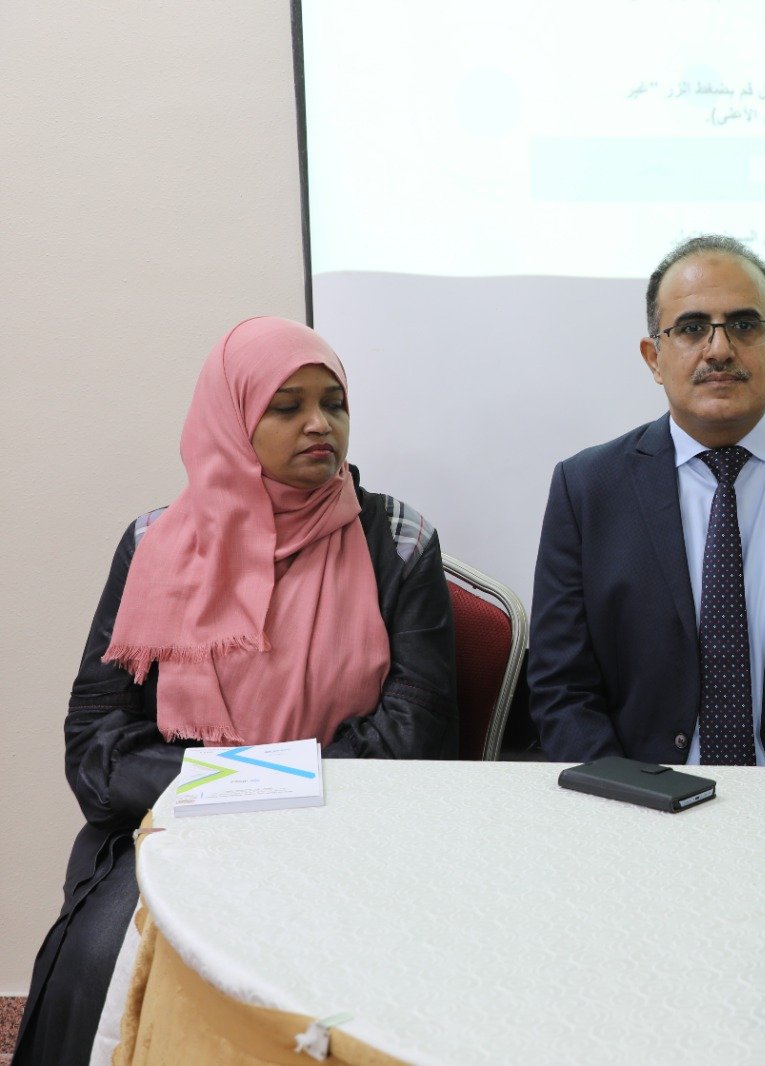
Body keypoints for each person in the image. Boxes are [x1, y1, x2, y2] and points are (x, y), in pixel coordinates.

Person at [15, 317, 457, 1066]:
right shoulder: (153, 544)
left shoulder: (400, 539)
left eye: (334, 404)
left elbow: (417, 736)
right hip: (175, 820)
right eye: (286, 406)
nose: (319, 424)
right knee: (101, 966)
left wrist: (263, 786)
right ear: (233, 417)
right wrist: (232, 786)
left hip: (342, 826)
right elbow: (95, 741)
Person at [526, 235, 765, 766]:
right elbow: (562, 687)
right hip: (636, 794)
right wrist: (629, 794)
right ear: (654, 358)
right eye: (691, 328)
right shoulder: (586, 489)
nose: (719, 350)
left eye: (744, 325)